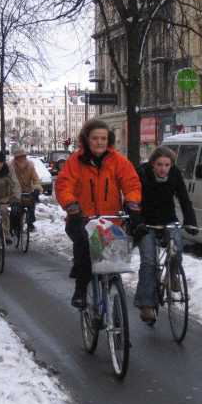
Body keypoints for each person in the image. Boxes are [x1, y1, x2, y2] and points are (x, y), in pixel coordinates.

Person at [55, 119, 142, 308]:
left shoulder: (117, 160)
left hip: (111, 221)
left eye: (103, 138)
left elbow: (131, 183)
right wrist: (71, 205)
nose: (99, 142)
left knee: (113, 261)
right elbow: (64, 185)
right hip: (82, 219)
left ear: (108, 140)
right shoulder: (75, 161)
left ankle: (112, 294)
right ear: (87, 139)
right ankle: (81, 288)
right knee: (86, 245)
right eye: (95, 138)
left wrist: (132, 201)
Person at [134, 146, 198, 323]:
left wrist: (190, 221)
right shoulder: (142, 175)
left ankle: (173, 274)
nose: (163, 169)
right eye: (159, 164)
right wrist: (137, 223)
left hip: (168, 220)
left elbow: (184, 199)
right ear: (152, 164)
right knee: (149, 262)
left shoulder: (175, 175)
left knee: (176, 248)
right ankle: (146, 305)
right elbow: (132, 201)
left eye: (167, 165)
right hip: (146, 222)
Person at [9, 147, 42, 232]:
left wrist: (37, 188)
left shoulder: (30, 165)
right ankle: (13, 226)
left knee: (31, 205)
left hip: (27, 191)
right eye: (19, 157)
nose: (22, 159)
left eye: (23, 156)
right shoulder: (10, 166)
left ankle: (30, 223)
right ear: (16, 158)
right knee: (15, 210)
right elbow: (8, 180)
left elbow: (36, 179)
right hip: (15, 192)